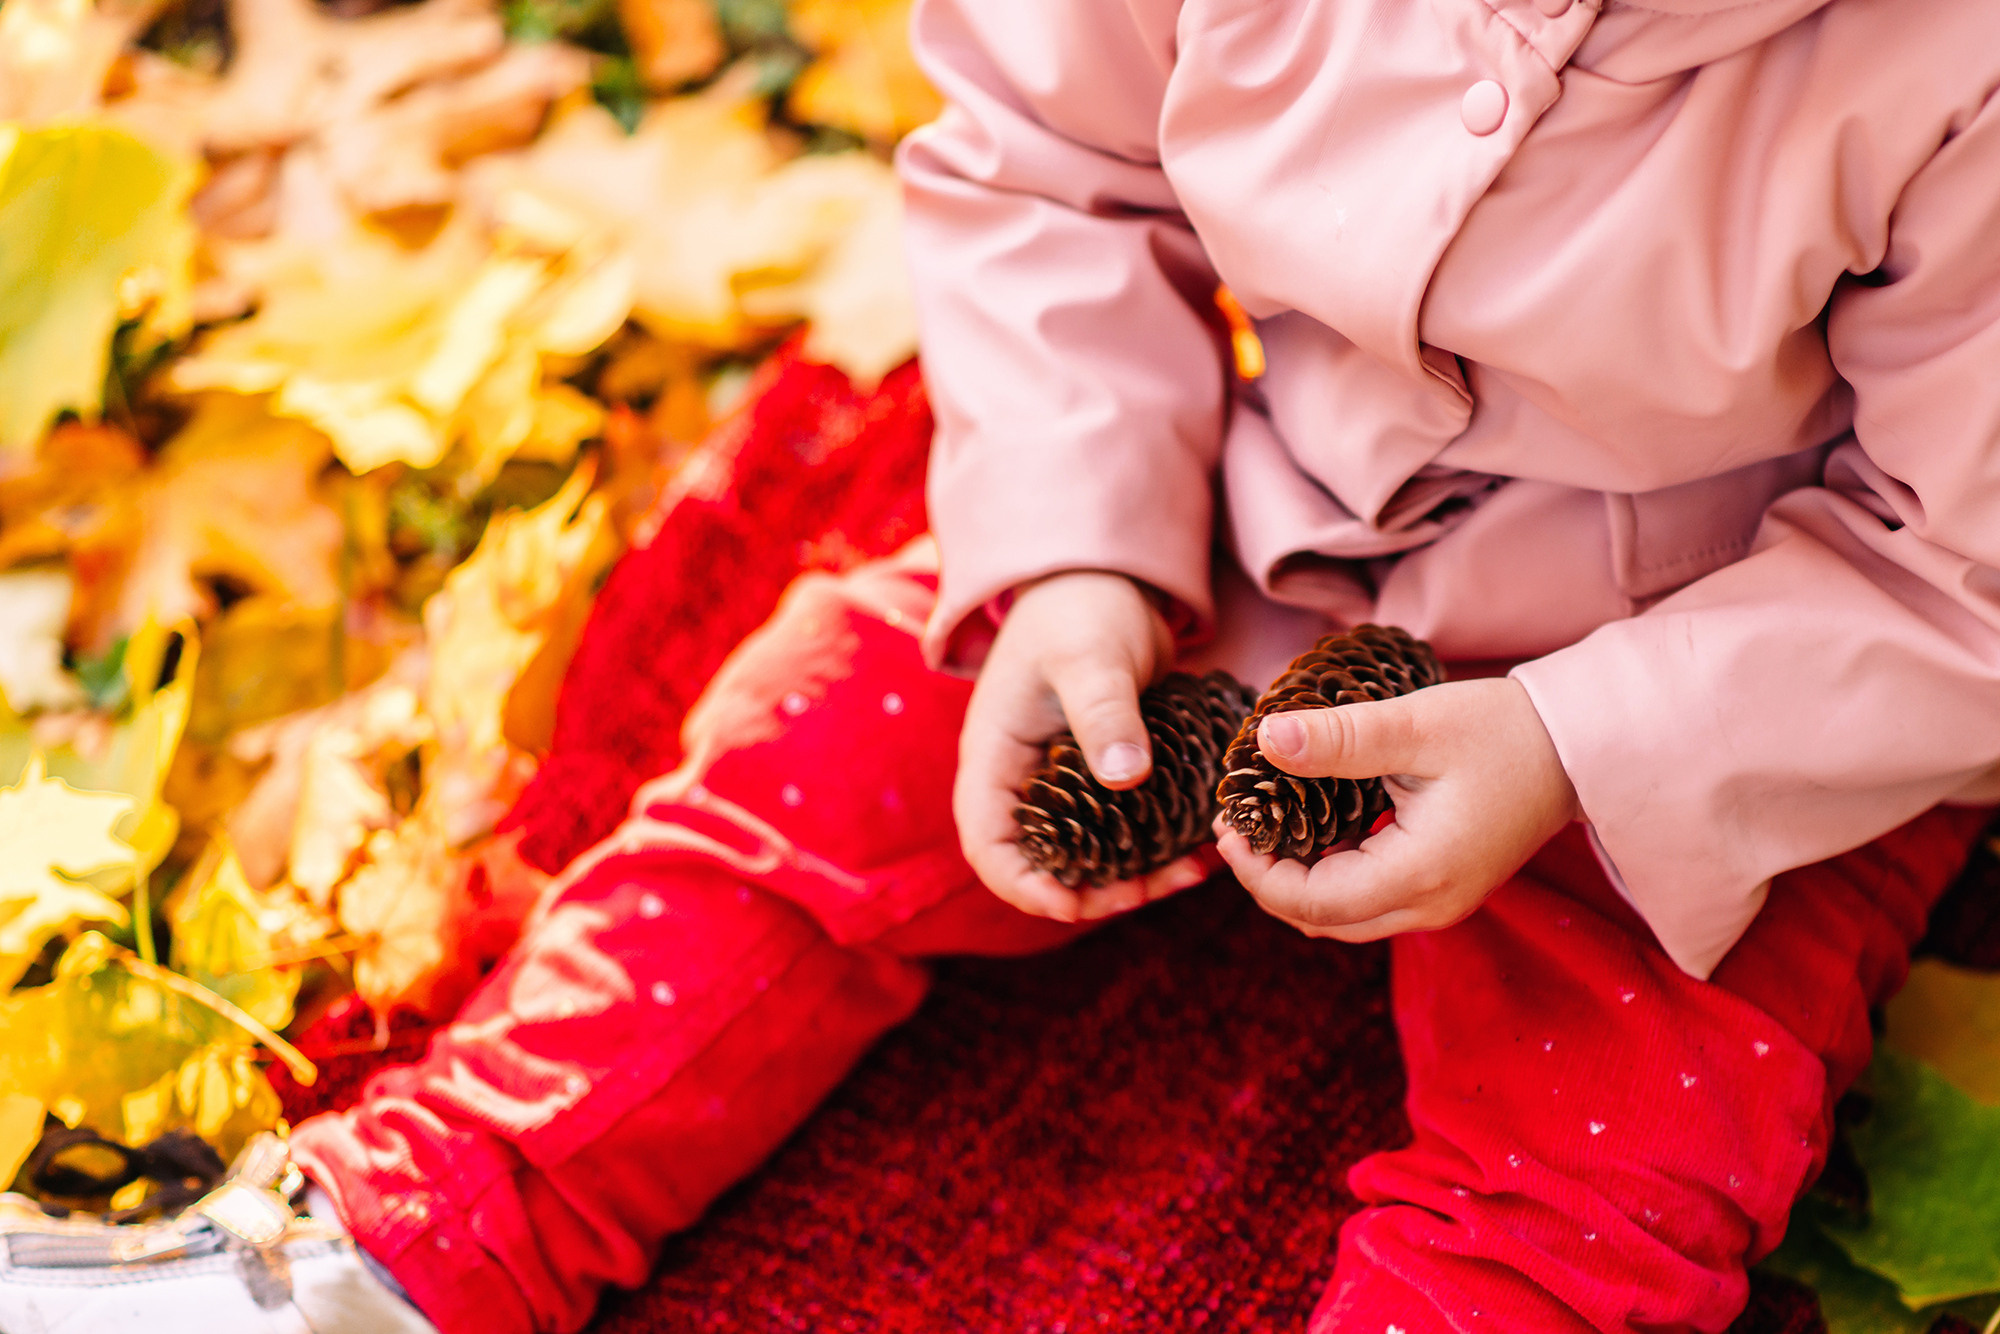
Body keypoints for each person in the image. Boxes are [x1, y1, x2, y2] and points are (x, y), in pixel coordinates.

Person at [7, 0, 2000, 1330]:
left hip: (1732, 671)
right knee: (806, 770)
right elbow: (1050, 171)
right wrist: (1073, 556)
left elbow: (1966, 571)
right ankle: (378, 1250)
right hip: (1260, 509)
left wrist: (1589, 740)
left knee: (1607, 1147)